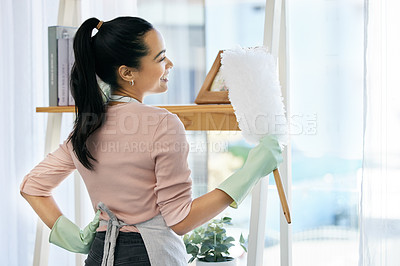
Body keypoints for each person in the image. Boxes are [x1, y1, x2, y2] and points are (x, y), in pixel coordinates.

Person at [20, 17, 282, 266]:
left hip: (99, 254)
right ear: (127, 72)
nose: (170, 63)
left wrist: (75, 238)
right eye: (160, 58)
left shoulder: (85, 128)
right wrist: (250, 172)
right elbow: (180, 220)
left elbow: (32, 187)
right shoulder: (162, 123)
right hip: (149, 255)